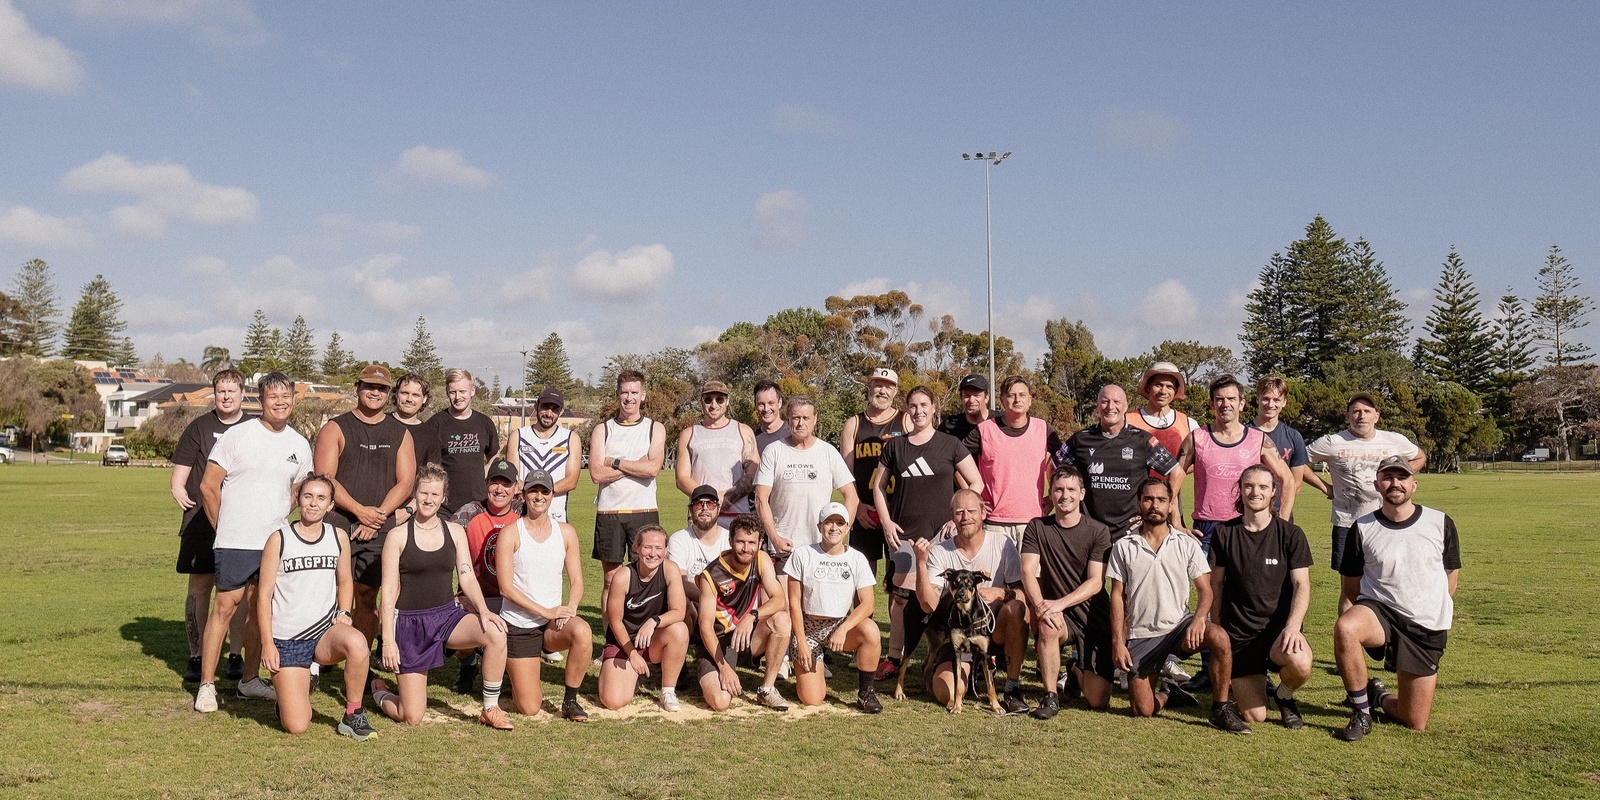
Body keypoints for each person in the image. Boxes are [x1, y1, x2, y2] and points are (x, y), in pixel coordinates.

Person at [194, 372, 312, 713]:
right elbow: (208, 487)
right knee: (225, 607)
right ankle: (207, 685)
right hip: (234, 542)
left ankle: (249, 681)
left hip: (275, 542)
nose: (280, 402)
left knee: (265, 611)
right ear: (260, 400)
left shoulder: (299, 444)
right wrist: (224, 529)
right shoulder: (237, 436)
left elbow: (298, 492)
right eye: (273, 396)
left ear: (293, 399)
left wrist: (275, 517)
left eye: (286, 396)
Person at [373, 464, 512, 729]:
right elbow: (388, 593)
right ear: (415, 494)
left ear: (443, 497)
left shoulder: (454, 531)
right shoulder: (397, 536)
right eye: (424, 493)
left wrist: (483, 611)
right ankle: (380, 691)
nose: (428, 500)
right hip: (410, 625)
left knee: (495, 631)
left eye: (435, 495)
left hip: (447, 616)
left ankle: (490, 708)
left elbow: (467, 575)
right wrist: (388, 640)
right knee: (411, 716)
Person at [1106, 478, 1250, 733]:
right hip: (1142, 634)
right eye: (1148, 499)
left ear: (1171, 505)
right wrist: (1118, 642)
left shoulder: (1186, 544)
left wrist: (1198, 620)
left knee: (1218, 636)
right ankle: (1170, 694)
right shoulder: (1123, 546)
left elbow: (1206, 591)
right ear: (1139, 503)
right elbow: (1117, 596)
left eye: (1161, 500)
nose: (1154, 505)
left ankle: (1220, 709)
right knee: (1143, 711)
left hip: (1180, 627)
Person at [1333, 456, 1461, 741]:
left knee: (1413, 720)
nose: (1395, 484)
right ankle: (1361, 713)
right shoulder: (1362, 527)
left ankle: (1377, 695)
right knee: (1346, 628)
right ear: (1377, 484)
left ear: (1413, 485)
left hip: (1424, 626)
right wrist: (1361, 611)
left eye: (1401, 478)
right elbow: (1351, 589)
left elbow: (1451, 575)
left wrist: (1432, 607)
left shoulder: (1439, 522)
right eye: (1387, 478)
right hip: (1381, 612)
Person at [312, 363, 416, 687]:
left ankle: (359, 664)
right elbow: (325, 478)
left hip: (379, 526)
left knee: (367, 596)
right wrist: (360, 511)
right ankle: (315, 660)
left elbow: (406, 480)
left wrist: (379, 515)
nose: (375, 392)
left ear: (390, 394)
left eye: (382, 388)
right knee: (325, 592)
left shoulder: (400, 432)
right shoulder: (336, 427)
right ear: (357, 388)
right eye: (369, 386)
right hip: (338, 522)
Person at [870, 385, 983, 682]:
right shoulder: (895, 446)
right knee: (902, 597)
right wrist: (885, 520)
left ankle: (947, 654)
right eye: (913, 406)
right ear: (908, 411)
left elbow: (976, 483)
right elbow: (877, 487)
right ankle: (893, 658)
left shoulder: (950, 444)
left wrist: (955, 519)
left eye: (924, 405)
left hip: (942, 537)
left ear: (934, 409)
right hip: (905, 536)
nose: (919, 411)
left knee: (944, 596)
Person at [256, 474, 376, 739]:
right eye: (308, 496)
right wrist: (268, 643)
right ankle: (288, 699)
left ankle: (352, 715)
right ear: (298, 499)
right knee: (298, 724)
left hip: (323, 632)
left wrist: (344, 612)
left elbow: (345, 582)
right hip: (288, 638)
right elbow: (263, 596)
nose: (313, 503)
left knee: (357, 643)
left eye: (321, 498)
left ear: (331, 505)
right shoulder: (279, 539)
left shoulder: (338, 537)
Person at [1207, 465, 1314, 729]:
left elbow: (1302, 585)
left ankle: (1284, 695)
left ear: (1273, 492)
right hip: (1241, 636)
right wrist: (1219, 631)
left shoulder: (1291, 534)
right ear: (1240, 490)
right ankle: (1249, 681)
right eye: (1249, 486)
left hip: (1278, 633)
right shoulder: (1224, 533)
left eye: (1263, 487)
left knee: (1300, 663)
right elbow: (1215, 585)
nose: (1256, 492)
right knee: (1256, 716)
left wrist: (1292, 627)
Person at [913, 489, 1030, 715]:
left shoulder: (1003, 544)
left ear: (984, 513)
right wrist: (920, 563)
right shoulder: (940, 552)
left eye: (971, 511)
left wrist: (999, 593)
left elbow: (1023, 595)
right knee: (945, 693)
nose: (965, 516)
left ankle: (1012, 687)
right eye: (959, 512)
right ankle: (970, 669)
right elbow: (928, 605)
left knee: (1016, 607)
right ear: (952, 516)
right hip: (958, 635)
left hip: (994, 630)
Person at [1307, 393, 1426, 614]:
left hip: (1386, 523)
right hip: (1347, 523)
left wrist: (1397, 482)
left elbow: (1420, 457)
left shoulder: (1394, 440)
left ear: (1376, 416)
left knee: (1389, 580)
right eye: (1356, 411)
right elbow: (1300, 463)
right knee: (1350, 589)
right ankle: (1347, 637)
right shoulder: (1332, 442)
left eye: (1367, 411)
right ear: (1347, 416)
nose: (1361, 416)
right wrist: (1326, 487)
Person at [170, 367, 252, 684]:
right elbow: (179, 476)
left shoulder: (253, 427)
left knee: (238, 592)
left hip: (243, 521)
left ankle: (235, 655)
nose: (227, 396)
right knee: (200, 588)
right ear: (214, 394)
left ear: (242, 393)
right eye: (221, 391)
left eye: (232, 391)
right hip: (202, 522)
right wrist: (179, 489)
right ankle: (197, 654)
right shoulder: (199, 427)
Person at [495, 469, 594, 722]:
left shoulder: (566, 532)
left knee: (582, 631)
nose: (539, 496)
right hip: (520, 624)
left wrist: (570, 607)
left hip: (552, 624)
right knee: (529, 707)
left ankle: (570, 700)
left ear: (552, 495)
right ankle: (511, 670)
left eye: (545, 491)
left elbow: (578, 580)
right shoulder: (510, 533)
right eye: (533, 490)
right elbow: (505, 588)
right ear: (524, 494)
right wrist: (545, 611)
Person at [1019, 469, 1115, 720]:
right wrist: (1040, 606)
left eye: (1071, 490)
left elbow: (1096, 582)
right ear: (1050, 494)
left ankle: (1074, 670)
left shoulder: (1098, 531)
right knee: (1049, 626)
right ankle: (1051, 696)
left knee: (1097, 701)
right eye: (1059, 489)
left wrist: (1059, 603)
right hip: (1057, 615)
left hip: (1093, 616)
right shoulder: (1037, 527)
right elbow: (1027, 571)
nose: (1065, 495)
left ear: (1082, 494)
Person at [1174, 375, 1294, 548]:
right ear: (1211, 404)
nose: (1225, 404)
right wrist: (1177, 523)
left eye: (1231, 398)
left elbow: (1288, 479)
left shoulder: (1259, 440)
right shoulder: (1196, 438)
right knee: (1207, 576)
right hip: (1207, 529)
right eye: (1219, 399)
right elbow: (1172, 483)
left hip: (1247, 524)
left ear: (1241, 404)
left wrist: (1281, 522)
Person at [786, 503, 882, 712]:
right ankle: (807, 672)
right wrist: (801, 641)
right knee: (812, 699)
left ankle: (866, 692)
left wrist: (844, 628)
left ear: (848, 528)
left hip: (840, 625)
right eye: (828, 522)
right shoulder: (802, 555)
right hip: (809, 628)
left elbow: (868, 604)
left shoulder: (857, 558)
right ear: (819, 526)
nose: (834, 528)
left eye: (840, 523)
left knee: (871, 630)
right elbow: (793, 602)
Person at [696, 515, 793, 711]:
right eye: (740, 541)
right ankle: (711, 671)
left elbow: (779, 599)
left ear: (760, 543)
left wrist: (752, 616)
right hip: (719, 642)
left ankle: (767, 689)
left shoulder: (761, 559)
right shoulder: (711, 575)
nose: (746, 548)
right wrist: (723, 668)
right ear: (730, 541)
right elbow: (705, 627)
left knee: (782, 619)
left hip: (746, 635)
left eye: (751, 542)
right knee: (720, 702)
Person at [1054, 385, 1182, 532]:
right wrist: (1052, 500)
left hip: (1130, 531)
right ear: (1097, 405)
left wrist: (1165, 507)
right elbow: (1054, 466)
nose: (1110, 407)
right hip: (1089, 531)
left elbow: (1176, 472)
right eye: (1105, 401)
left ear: (1125, 406)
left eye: (1117, 402)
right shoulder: (1081, 438)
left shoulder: (1142, 440)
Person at [589, 369, 666, 613]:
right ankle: (611, 639)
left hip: (643, 512)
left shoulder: (655, 428)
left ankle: (641, 635)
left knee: (644, 578)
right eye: (625, 392)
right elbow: (596, 474)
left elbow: (653, 468)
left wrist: (615, 461)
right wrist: (636, 465)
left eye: (634, 392)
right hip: (609, 513)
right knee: (611, 580)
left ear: (643, 395)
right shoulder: (603, 430)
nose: (629, 398)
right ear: (617, 394)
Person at [754, 396, 858, 575]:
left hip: (820, 547)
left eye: (806, 418)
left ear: (815, 419)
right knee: (785, 603)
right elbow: (760, 499)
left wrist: (841, 532)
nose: (801, 423)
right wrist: (774, 538)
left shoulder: (828, 452)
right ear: (788, 420)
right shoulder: (774, 451)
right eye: (796, 418)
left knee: (816, 603)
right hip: (784, 547)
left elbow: (852, 496)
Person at [598, 526, 691, 711]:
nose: (652, 553)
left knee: (679, 629)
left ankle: (668, 690)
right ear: (637, 548)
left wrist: (654, 621)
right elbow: (615, 621)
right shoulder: (623, 576)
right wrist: (632, 654)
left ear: (666, 551)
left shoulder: (669, 570)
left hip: (652, 640)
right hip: (624, 643)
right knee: (613, 701)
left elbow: (679, 611)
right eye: (647, 547)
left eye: (658, 548)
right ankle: (630, 676)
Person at [452, 457, 521, 694]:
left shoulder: (525, 514)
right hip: (476, 595)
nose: (499, 489)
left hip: (513, 597)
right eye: (494, 482)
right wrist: (454, 596)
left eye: (506, 484)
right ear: (486, 483)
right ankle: (467, 664)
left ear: (516, 488)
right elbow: (442, 551)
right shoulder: (469, 513)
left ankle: (512, 670)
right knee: (456, 616)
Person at [962, 375, 1053, 550]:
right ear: (1002, 400)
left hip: (1032, 521)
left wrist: (1053, 497)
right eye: (1011, 395)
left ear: (1030, 400)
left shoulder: (1043, 428)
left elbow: (1062, 461)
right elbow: (957, 461)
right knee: (995, 577)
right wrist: (973, 496)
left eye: (1022, 395)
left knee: (1032, 577)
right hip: (995, 522)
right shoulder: (984, 430)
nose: (1017, 399)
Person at [839, 367, 912, 576]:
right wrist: (857, 507)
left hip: (896, 513)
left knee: (897, 581)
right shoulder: (854, 424)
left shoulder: (906, 422)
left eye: (888, 387)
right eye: (878, 385)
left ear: (895, 391)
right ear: (869, 386)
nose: (882, 391)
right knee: (861, 578)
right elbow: (846, 474)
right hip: (865, 515)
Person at [1126, 362, 1200, 525]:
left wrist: (1173, 471)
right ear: (1148, 387)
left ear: (1175, 391)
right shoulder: (1128, 420)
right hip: (1135, 503)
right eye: (1158, 385)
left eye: (1169, 386)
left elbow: (1200, 461)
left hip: (1173, 502)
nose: (1163, 391)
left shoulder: (1188, 423)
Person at [676, 380, 758, 526]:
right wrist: (709, 499)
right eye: (708, 400)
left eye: (719, 400)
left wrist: (727, 498)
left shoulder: (743, 431)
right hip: (701, 518)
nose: (713, 405)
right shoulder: (689, 434)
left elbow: (751, 474)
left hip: (737, 518)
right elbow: (682, 479)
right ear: (701, 402)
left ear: (727, 401)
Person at [1248, 376, 1329, 516]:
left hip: (1281, 514)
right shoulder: (1244, 434)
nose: (1270, 404)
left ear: (1284, 402)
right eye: (1266, 398)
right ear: (1257, 399)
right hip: (1247, 514)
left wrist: (1282, 513)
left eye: (1276, 400)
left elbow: (1296, 484)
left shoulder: (1293, 437)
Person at [428, 368, 499, 518]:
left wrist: (484, 473)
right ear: (447, 392)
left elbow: (495, 454)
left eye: (462, 391)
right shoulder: (435, 424)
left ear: (472, 391)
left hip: (478, 505)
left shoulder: (484, 423)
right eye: (453, 392)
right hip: (444, 508)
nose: (457, 397)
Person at [504, 386, 579, 523]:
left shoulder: (571, 438)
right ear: (536, 405)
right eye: (545, 407)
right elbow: (513, 476)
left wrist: (540, 494)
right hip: (522, 514)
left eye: (555, 409)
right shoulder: (518, 436)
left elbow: (572, 480)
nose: (549, 414)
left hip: (557, 516)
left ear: (561, 412)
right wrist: (532, 496)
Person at [668, 484, 730, 631]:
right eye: (698, 504)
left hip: (725, 604)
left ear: (718, 509)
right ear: (691, 510)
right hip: (695, 603)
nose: (704, 508)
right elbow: (680, 582)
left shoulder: (730, 539)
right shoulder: (679, 539)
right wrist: (710, 601)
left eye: (710, 504)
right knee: (679, 599)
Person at [392, 372, 442, 471]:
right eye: (405, 393)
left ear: (424, 399)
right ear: (397, 394)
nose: (409, 399)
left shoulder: (430, 436)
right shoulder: (381, 423)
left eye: (415, 395)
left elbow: (432, 476)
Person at [937, 374, 990, 444]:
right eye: (967, 396)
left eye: (977, 396)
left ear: (986, 398)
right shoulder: (949, 425)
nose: (971, 400)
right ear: (961, 398)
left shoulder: (999, 422)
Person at [752, 380, 791, 455]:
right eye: (761, 404)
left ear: (780, 403)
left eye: (771, 403)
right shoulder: (753, 440)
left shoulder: (793, 433)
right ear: (755, 405)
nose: (766, 409)